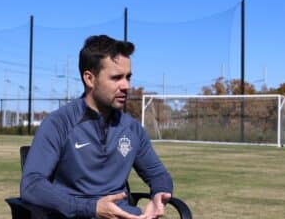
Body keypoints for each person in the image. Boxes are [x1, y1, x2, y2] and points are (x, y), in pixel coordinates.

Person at [20, 35, 173, 219]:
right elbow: (31, 186)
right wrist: (91, 208)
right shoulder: (59, 124)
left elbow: (158, 175)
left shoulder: (132, 129)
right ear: (90, 79)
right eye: (116, 78)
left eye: (128, 77)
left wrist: (159, 194)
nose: (126, 86)